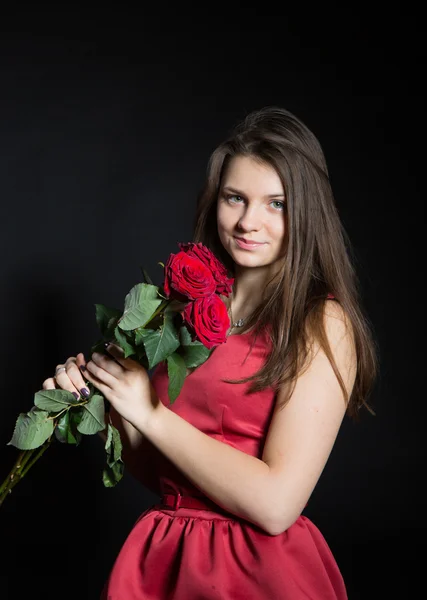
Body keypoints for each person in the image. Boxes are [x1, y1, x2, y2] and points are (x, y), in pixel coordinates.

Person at [43, 106, 378, 599]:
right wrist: (108, 406)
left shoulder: (321, 321)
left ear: (307, 212)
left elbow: (276, 504)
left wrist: (150, 413)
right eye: (234, 198)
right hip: (166, 557)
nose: (248, 222)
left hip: (255, 573)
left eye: (276, 204)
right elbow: (164, 476)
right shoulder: (190, 310)